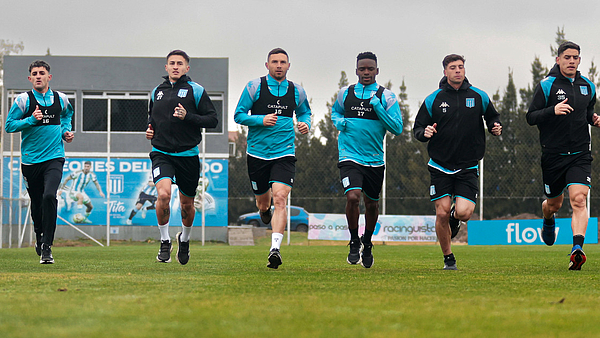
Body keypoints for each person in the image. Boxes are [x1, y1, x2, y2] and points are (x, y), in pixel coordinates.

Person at [413, 54, 502, 270]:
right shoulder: (433, 99)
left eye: (460, 67)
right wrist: (424, 132)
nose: (457, 71)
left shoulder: (479, 96)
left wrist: (495, 126)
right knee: (441, 211)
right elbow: (417, 129)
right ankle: (448, 258)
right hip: (440, 165)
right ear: (445, 71)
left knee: (464, 213)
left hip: (467, 166)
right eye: (453, 67)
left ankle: (456, 217)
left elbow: (493, 116)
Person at [234, 48, 312, 269]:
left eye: (283, 62)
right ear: (267, 65)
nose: (279, 65)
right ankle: (263, 210)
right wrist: (261, 120)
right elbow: (238, 115)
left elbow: (305, 112)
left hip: (284, 153)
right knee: (263, 202)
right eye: (275, 62)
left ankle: (274, 250)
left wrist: (305, 123)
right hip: (257, 154)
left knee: (280, 198)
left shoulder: (297, 91)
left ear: (289, 66)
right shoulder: (254, 87)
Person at [526, 41, 599, 270]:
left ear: (579, 60)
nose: (571, 61)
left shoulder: (588, 86)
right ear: (558, 60)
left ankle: (577, 248)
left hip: (580, 154)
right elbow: (531, 116)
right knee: (554, 204)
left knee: (578, 199)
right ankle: (547, 217)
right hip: (553, 156)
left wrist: (594, 119)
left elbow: (587, 113)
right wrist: (552, 110)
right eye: (567, 57)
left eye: (575, 57)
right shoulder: (546, 86)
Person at [331, 52, 403, 269]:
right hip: (349, 156)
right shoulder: (346, 93)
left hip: (374, 160)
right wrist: (339, 122)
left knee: (371, 203)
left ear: (377, 71)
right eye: (362, 69)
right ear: (356, 71)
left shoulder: (386, 97)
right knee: (353, 197)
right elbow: (335, 112)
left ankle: (368, 242)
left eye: (370, 69)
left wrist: (378, 108)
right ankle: (354, 240)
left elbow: (397, 128)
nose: (366, 72)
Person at [146, 50, 218, 265]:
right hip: (161, 153)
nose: (175, 66)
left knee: (187, 204)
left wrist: (188, 117)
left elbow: (212, 120)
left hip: (187, 155)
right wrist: (150, 131)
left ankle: (184, 240)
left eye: (180, 63)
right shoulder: (156, 92)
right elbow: (152, 119)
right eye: (171, 63)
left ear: (187, 68)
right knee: (164, 196)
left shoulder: (196, 91)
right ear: (166, 67)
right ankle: (165, 240)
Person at [5, 60, 74, 264]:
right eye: (34, 73)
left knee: (49, 196)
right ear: (29, 78)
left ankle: (47, 247)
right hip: (31, 161)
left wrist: (65, 132)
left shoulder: (60, 99)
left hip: (54, 157)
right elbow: (9, 126)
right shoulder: (23, 101)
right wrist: (31, 120)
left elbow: (67, 115)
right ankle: (39, 237)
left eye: (41, 73)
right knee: (36, 204)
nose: (38, 76)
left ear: (48, 77)